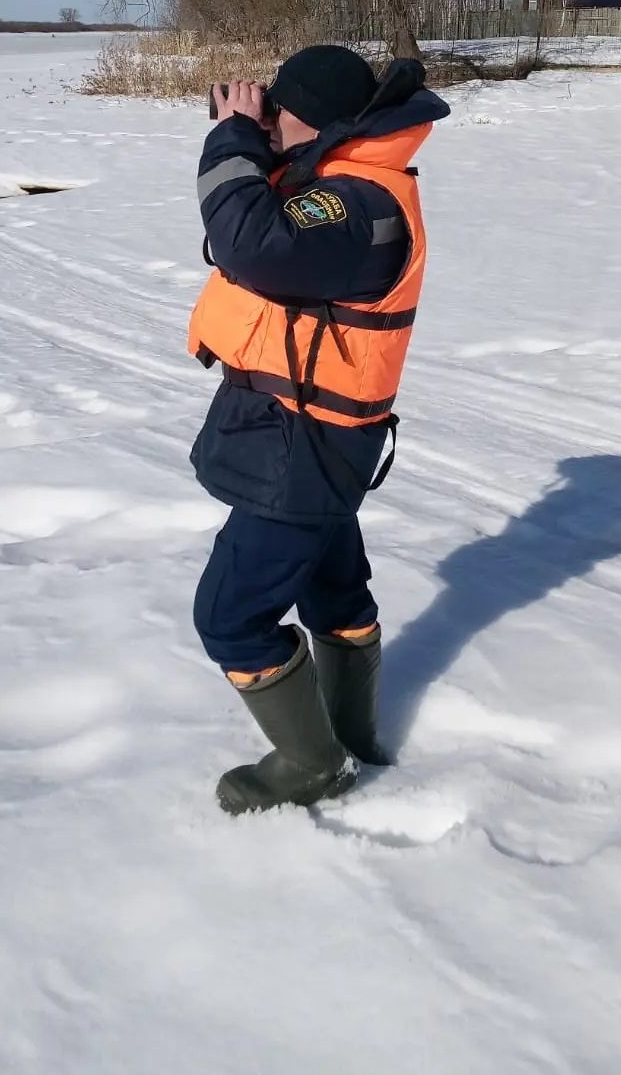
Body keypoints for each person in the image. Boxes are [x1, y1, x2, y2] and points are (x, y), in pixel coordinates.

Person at [188, 43, 450, 814]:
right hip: (318, 439)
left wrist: (233, 140)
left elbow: (254, 243)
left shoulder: (357, 206)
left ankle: (312, 765)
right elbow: (270, 228)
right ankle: (351, 733)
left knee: (230, 616)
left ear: (312, 120)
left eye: (278, 112)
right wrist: (256, 144)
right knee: (333, 587)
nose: (267, 121)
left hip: (301, 446)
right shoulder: (346, 185)